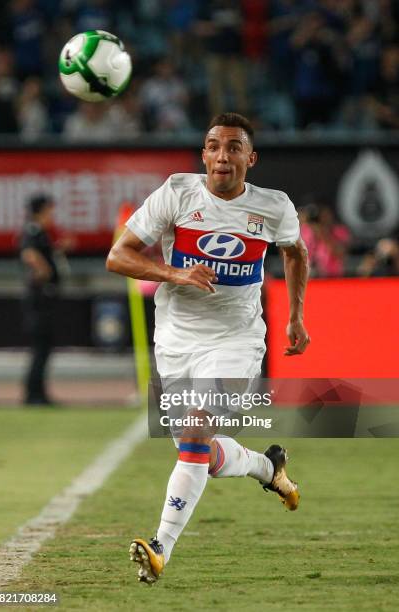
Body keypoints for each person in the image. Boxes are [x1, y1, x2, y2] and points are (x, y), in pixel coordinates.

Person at [106, 112, 310, 584]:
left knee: (196, 433)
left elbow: (295, 252)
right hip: (176, 338)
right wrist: (176, 273)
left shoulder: (273, 207)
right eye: (213, 145)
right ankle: (267, 466)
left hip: (236, 340)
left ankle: (160, 549)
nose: (223, 155)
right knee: (200, 453)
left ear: (250, 159)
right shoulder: (177, 192)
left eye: (234, 146)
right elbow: (119, 255)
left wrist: (296, 315)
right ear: (203, 155)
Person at [19, 195, 61, 405]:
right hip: (39, 300)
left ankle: (39, 394)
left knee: (44, 348)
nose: (52, 216)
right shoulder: (33, 230)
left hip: (44, 299)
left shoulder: (42, 233)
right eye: (49, 211)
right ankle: (33, 395)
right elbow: (29, 254)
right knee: (40, 348)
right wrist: (44, 270)